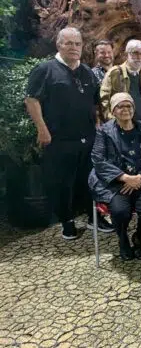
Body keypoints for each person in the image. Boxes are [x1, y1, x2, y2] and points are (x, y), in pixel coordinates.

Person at [25, 27, 114, 239]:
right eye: (69, 43)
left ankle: (93, 217)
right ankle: (67, 221)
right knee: (62, 183)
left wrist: (98, 127)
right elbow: (31, 100)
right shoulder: (45, 70)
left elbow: (95, 104)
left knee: (90, 180)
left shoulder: (87, 72)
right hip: (59, 139)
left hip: (88, 138)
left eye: (77, 44)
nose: (74, 47)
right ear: (59, 45)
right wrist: (42, 129)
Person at [89, 93, 141, 260]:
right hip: (116, 183)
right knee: (120, 211)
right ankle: (123, 240)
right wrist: (124, 178)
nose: (125, 109)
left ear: (133, 109)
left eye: (129, 106)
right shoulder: (104, 131)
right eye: (120, 106)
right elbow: (98, 159)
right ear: (113, 111)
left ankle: (140, 237)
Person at [100, 39, 141, 124]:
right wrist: (113, 121)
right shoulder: (114, 73)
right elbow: (104, 100)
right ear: (127, 54)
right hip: (121, 125)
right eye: (135, 53)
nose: (139, 57)